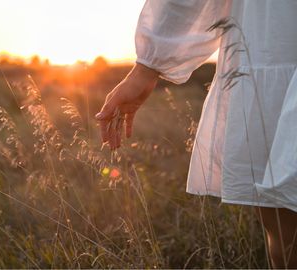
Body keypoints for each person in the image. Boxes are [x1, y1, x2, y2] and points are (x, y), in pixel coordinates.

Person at [95, 0, 297, 268]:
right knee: (288, 239)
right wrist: (146, 68)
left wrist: (148, 66)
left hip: (272, 44)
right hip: (275, 40)